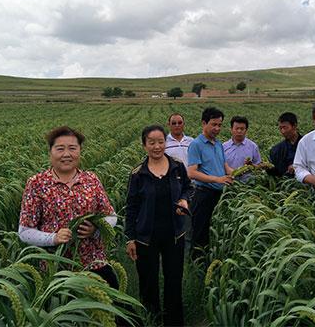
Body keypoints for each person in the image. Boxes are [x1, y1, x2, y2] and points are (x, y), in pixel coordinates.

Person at [18, 126, 118, 287]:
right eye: (60, 149)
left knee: (108, 307)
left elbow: (111, 215)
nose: (66, 154)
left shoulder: (91, 179)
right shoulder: (37, 183)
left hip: (94, 263)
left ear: (80, 151)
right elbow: (24, 232)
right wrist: (53, 238)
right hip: (57, 268)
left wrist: (97, 228)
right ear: (50, 152)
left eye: (72, 148)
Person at [125, 125, 192, 327]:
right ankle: (152, 319)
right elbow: (131, 207)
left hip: (174, 234)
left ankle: (174, 321)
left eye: (160, 142)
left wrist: (184, 200)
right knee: (148, 281)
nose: (157, 146)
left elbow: (188, 188)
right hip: (146, 236)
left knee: (174, 279)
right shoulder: (138, 174)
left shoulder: (177, 166)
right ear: (144, 145)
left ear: (166, 142)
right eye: (151, 142)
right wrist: (130, 237)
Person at [187, 107, 233, 257]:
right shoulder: (196, 144)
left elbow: (224, 166)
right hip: (203, 195)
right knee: (200, 234)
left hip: (218, 195)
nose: (217, 128)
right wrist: (217, 179)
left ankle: (210, 261)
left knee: (215, 231)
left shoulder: (219, 144)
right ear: (204, 123)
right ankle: (197, 267)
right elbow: (192, 172)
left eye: (220, 125)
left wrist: (240, 173)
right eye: (214, 124)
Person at [269, 112, 302, 177]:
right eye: (280, 128)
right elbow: (276, 174)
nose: (283, 131)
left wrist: (296, 167)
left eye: (285, 127)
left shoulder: (306, 144)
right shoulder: (276, 150)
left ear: (294, 126)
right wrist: (267, 167)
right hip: (285, 185)